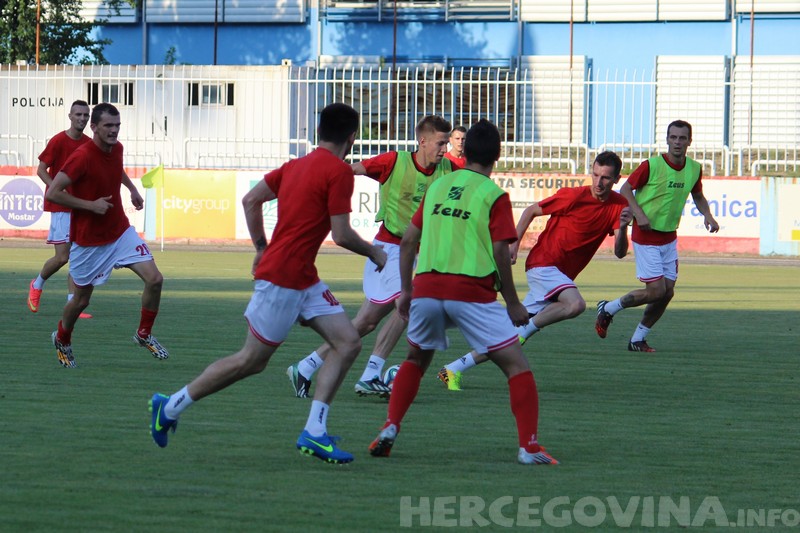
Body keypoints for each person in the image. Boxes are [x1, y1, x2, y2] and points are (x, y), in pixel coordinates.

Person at [148, 103, 387, 464]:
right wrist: (374, 253)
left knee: (348, 342)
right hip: (283, 279)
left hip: (303, 278)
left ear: (319, 131)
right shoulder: (339, 172)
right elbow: (341, 234)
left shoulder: (294, 166)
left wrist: (261, 247)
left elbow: (251, 200)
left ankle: (314, 432)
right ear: (352, 137)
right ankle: (169, 407)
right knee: (251, 361)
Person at [368, 119, 558, 465]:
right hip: (471, 291)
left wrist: (407, 291)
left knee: (416, 359)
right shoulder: (493, 195)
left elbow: (408, 241)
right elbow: (500, 251)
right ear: (497, 156)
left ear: (464, 151)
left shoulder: (438, 187)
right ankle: (529, 447)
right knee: (517, 367)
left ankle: (391, 426)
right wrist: (513, 302)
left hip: (427, 288)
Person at [287, 115, 454, 398]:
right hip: (389, 251)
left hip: (419, 253)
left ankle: (306, 366)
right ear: (423, 141)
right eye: (441, 143)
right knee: (409, 304)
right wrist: (311, 182)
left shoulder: (449, 169)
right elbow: (346, 170)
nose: (445, 149)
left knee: (366, 322)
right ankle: (371, 374)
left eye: (447, 143)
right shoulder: (393, 162)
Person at [436, 151, 632, 390]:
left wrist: (623, 228)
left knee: (507, 340)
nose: (598, 182)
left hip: (558, 276)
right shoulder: (573, 196)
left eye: (606, 178)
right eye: (595, 174)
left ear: (616, 179)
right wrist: (514, 243)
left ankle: (452, 369)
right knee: (575, 305)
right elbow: (530, 210)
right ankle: (527, 329)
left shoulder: (619, 206)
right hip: (543, 264)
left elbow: (620, 252)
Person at [46, 103, 168, 368]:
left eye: (117, 125)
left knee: (155, 279)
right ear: (94, 127)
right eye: (108, 126)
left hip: (120, 232)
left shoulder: (118, 148)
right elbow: (53, 192)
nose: (114, 130)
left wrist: (132, 189)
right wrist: (91, 205)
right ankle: (62, 338)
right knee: (81, 300)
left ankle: (143, 334)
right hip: (89, 241)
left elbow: (116, 169)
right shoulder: (82, 157)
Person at [595, 120, 720, 352]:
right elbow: (625, 189)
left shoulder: (694, 168)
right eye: (673, 137)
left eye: (682, 138)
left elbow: (698, 195)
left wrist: (708, 215)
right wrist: (638, 214)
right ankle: (609, 308)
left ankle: (637, 339)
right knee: (656, 291)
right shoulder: (651, 165)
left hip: (669, 238)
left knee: (667, 292)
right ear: (667, 139)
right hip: (646, 237)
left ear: (689, 141)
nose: (677, 142)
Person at [28, 100, 93, 319]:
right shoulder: (58, 140)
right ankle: (37, 284)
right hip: (61, 206)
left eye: (85, 115)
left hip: (80, 207)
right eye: (78, 114)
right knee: (62, 257)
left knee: (78, 257)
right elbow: (41, 169)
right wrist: (55, 188)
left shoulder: (89, 144)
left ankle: (72, 304)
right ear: (70, 116)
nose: (82, 118)